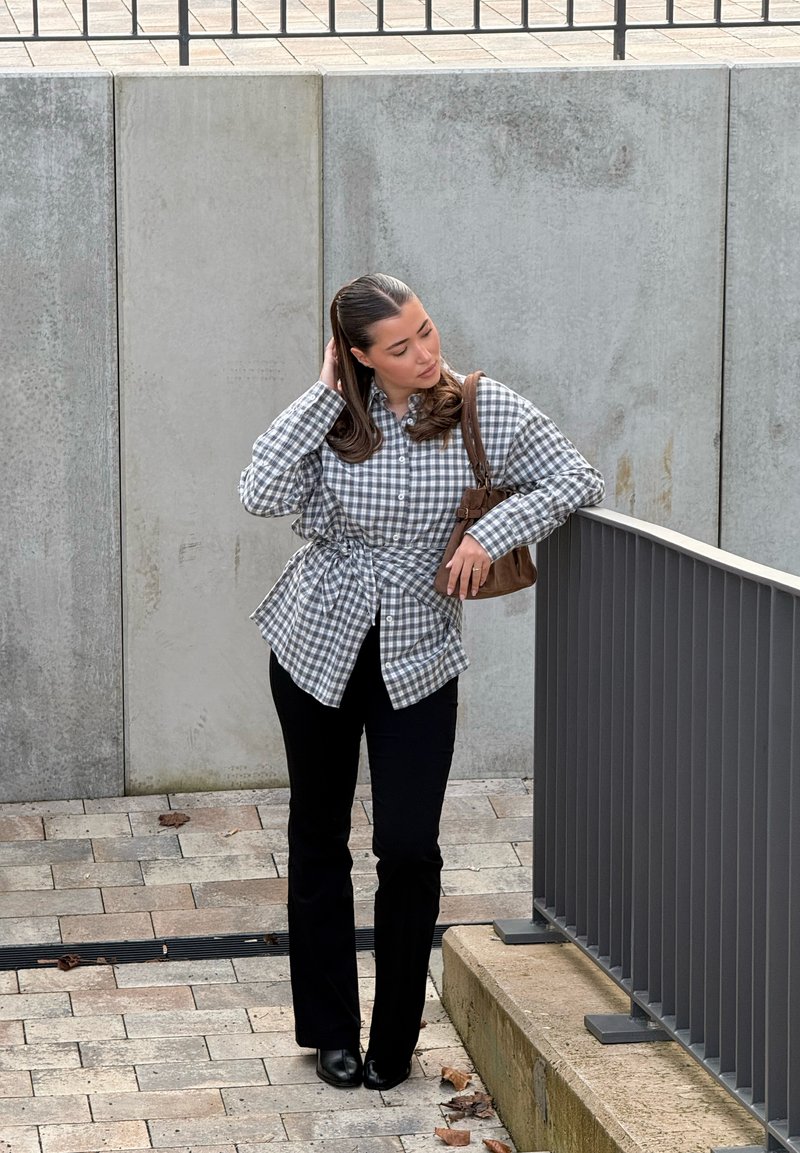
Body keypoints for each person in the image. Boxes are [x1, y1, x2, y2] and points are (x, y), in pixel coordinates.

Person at [239, 273, 604, 1091]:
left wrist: (493, 531)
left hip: (418, 650)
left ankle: (393, 1039)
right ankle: (330, 1028)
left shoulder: (481, 404)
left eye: (427, 331)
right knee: (317, 835)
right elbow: (258, 491)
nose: (425, 354)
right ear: (360, 357)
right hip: (315, 642)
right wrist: (324, 388)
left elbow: (575, 479)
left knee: (408, 845)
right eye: (399, 347)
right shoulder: (333, 414)